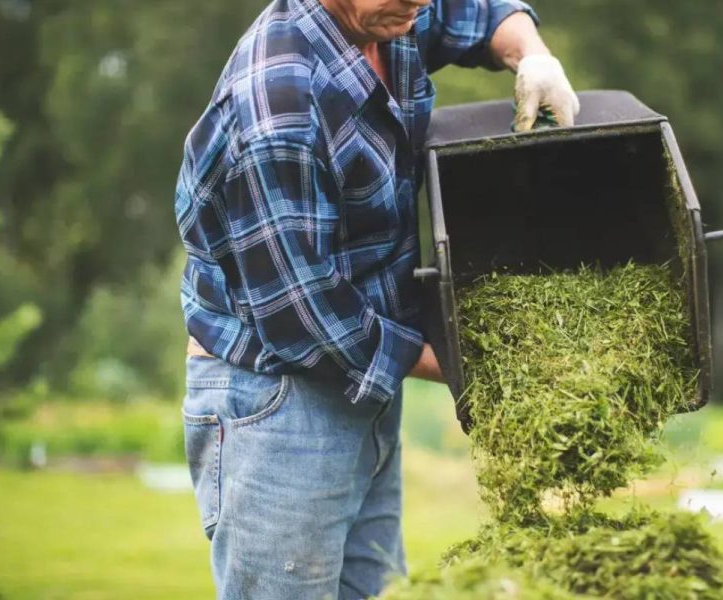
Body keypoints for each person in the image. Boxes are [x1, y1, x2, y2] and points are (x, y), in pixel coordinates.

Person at [173, 0, 578, 598]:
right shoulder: (278, 104)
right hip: (280, 405)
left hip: (363, 382)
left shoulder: (390, 17)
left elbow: (474, 13)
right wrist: (468, 367)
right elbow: (302, 313)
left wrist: (533, 55)